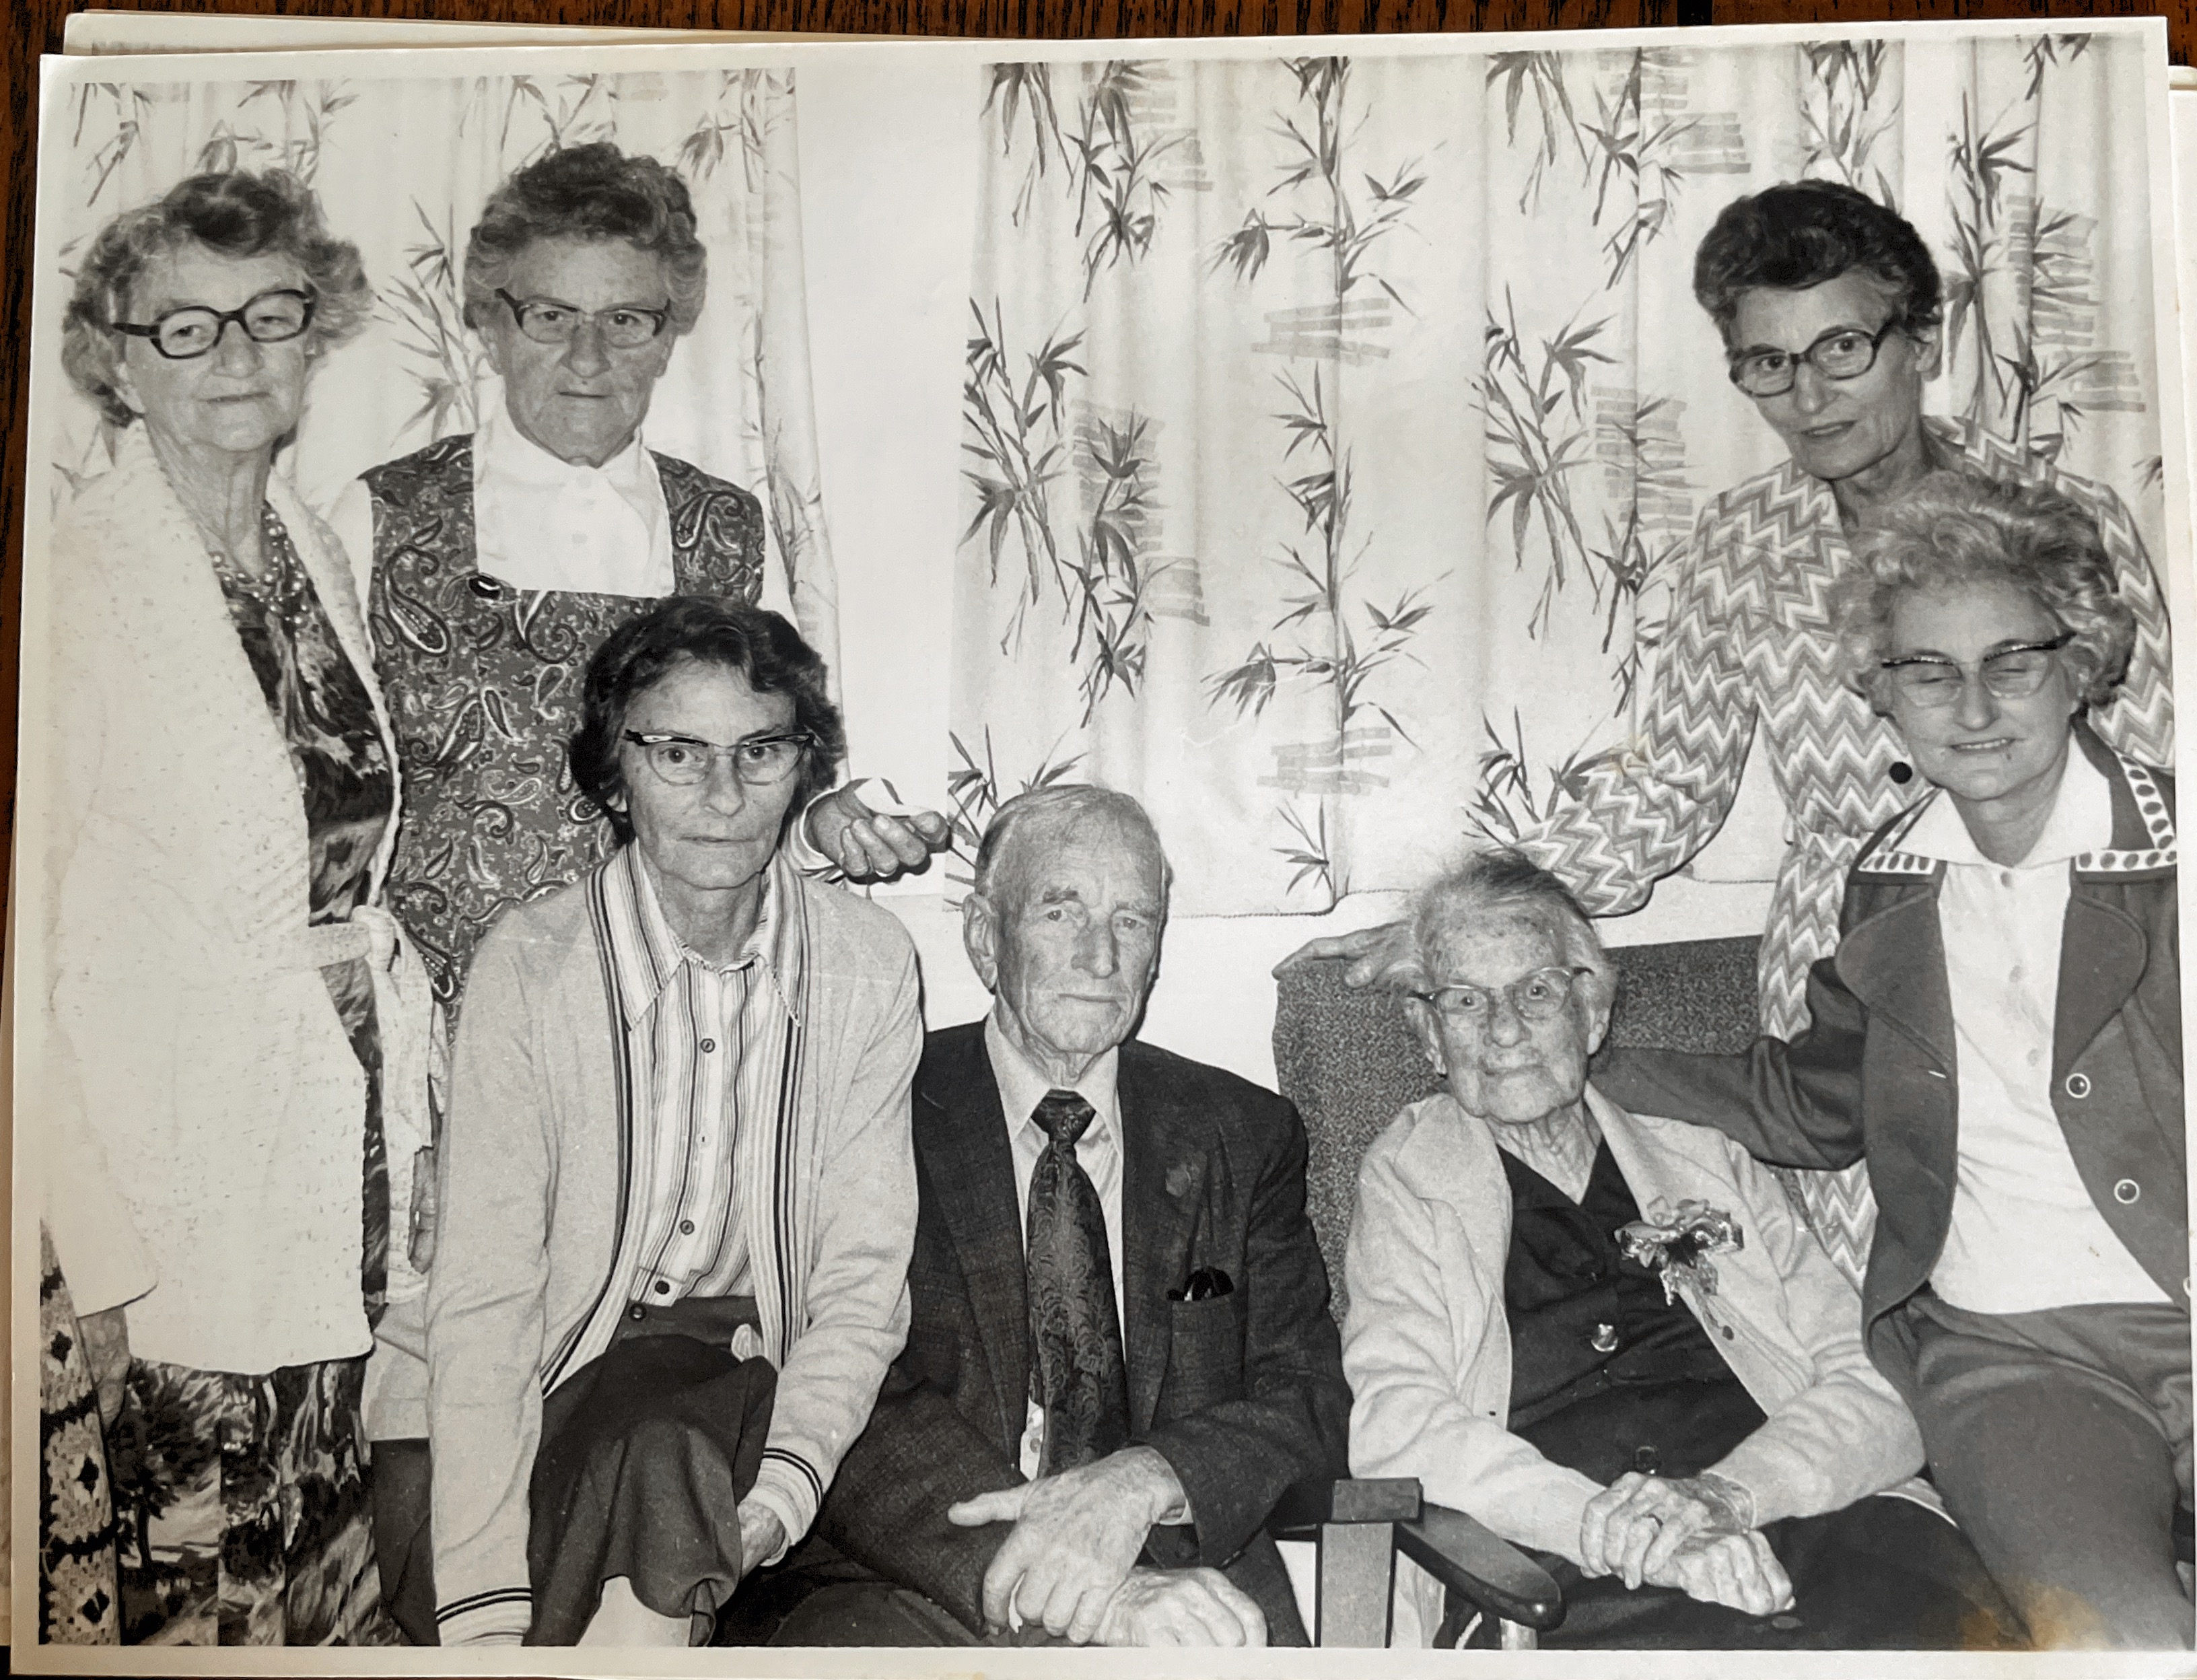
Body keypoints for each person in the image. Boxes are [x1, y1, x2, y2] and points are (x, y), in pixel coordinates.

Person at [1286, 180, 2175, 1284]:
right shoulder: (1738, 544)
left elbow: (2152, 777)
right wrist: (1463, 913)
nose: (1808, 395)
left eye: (1841, 348)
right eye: (1768, 362)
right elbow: (1669, 788)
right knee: (1886, 1293)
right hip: (1841, 988)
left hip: (2054, 955)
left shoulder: (2065, 517)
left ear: (1921, 340)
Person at [1593, 475, 2190, 1649]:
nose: (1971, 706)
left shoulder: (2175, 854)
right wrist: (1588, 1054)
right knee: (2116, 1647)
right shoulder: (1888, 878)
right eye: (1927, 671)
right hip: (2008, 1351)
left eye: (2011, 661)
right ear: (1882, 693)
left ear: (2081, 662)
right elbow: (1815, 1105)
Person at [45, 167, 431, 1644]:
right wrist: (92, 1245)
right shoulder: (75, 586)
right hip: (171, 1181)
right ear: (116, 360)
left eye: (270, 315)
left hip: (331, 1153)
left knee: (326, 1561)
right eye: (185, 327)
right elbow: (20, 959)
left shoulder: (308, 547)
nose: (236, 357)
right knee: (200, 1591)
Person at [1346, 850, 2016, 1650]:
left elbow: (1875, 1382)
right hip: (1567, 1564)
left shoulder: (1706, 1158)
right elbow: (1398, 1425)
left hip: (1804, 1516)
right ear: (1430, 1037)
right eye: (1465, 1000)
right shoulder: (1409, 1177)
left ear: (1592, 1015)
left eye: (1537, 991)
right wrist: (1619, 1532)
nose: (1505, 1029)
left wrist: (1724, 1499)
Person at [329, 141, 943, 1011]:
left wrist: (821, 824)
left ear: (666, 337)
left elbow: (757, 787)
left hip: (667, 1025)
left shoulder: (728, 529)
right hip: (437, 1023)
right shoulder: (382, 515)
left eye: (625, 320)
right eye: (551, 315)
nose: (588, 356)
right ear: (492, 324)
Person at [419, 596, 921, 1646]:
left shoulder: (868, 967)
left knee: (671, 1457)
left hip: (755, 1382)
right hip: (544, 1384)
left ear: (803, 766)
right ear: (615, 774)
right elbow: (488, 1302)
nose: (724, 797)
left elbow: (861, 1280)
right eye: (679, 754)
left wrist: (785, 1484)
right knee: (638, 1474)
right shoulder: (532, 967)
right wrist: (483, 1600)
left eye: (760, 752)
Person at [761, 786, 1351, 1648]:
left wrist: (1142, 1480)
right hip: (916, 1578)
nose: (1100, 958)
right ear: (983, 938)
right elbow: (842, 1392)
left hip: (1180, 1565)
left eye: (1131, 921)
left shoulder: (1244, 1132)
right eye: (1060, 911)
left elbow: (1308, 1399)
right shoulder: (872, 1105)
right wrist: (1071, 1572)